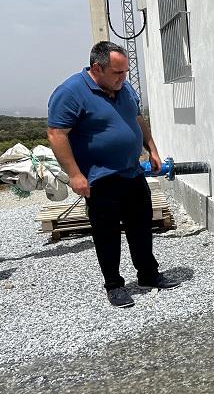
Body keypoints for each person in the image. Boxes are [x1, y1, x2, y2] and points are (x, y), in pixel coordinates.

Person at [47, 41, 180, 308]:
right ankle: (114, 285)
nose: (124, 78)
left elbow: (137, 119)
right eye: (117, 73)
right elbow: (56, 134)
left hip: (132, 173)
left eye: (125, 72)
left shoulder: (124, 87)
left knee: (141, 227)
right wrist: (74, 174)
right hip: (100, 178)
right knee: (107, 234)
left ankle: (148, 275)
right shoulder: (70, 92)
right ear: (97, 68)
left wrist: (152, 150)